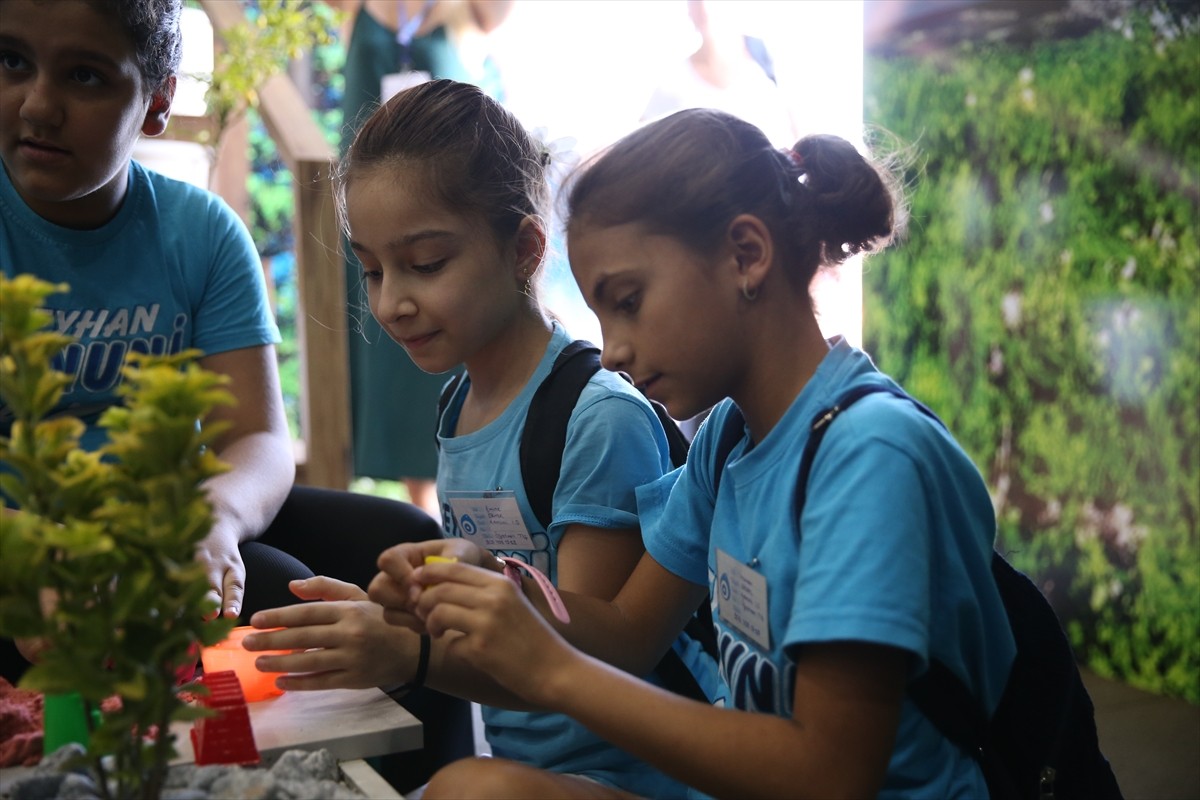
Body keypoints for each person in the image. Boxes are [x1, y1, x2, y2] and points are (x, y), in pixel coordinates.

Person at [368, 109, 1019, 799]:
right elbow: (626, 632)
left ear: (746, 255)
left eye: (629, 301)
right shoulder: (728, 439)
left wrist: (552, 671)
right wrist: (503, 586)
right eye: (599, 315)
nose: (612, 350)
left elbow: (830, 774)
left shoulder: (869, 457)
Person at [244, 79, 715, 798]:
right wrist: (387, 618)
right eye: (371, 270)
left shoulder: (596, 420)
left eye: (426, 263)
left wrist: (405, 651)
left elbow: (585, 664)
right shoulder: (460, 401)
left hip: (631, 774)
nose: (392, 302)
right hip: (527, 764)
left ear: (525, 248)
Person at [0, 0, 439, 690]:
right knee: (276, 590)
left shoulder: (201, 233)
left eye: (85, 76)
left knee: (410, 555)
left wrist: (214, 521)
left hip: (170, 516)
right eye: (12, 62)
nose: (38, 105)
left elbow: (258, 437)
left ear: (158, 102)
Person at [324, 0, 513, 517]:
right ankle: (428, 511)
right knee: (393, 353)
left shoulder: (471, 11)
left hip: (449, 211)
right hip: (372, 213)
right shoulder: (353, 8)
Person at [641, 0, 799, 148]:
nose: (705, 7)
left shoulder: (768, 54)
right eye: (696, 1)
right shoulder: (673, 83)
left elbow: (797, 127)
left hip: (777, 172)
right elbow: (644, 144)